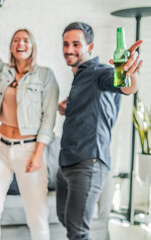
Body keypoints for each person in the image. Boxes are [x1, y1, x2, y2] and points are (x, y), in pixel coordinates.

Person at [57, 22, 142, 240]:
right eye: (66, 44)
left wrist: (129, 74)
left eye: (76, 44)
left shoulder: (100, 72)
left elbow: (125, 86)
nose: (69, 49)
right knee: (65, 220)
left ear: (90, 46)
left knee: (78, 232)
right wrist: (68, 108)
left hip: (88, 163)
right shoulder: (79, 78)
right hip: (67, 161)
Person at [0, 3, 59, 240]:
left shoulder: (45, 75)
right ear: (12, 46)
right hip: (0, 148)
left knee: (37, 215)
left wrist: (38, 154)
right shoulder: (4, 71)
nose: (20, 43)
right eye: (16, 40)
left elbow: (49, 119)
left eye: (25, 39)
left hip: (29, 150)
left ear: (32, 46)